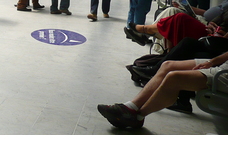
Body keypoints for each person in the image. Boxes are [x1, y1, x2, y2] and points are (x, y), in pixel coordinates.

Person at [97, 49, 228, 130]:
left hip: (225, 73)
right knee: (168, 65)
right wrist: (212, 61)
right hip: (223, 64)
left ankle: (136, 117)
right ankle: (131, 107)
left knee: (174, 78)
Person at [124, 9, 228, 50]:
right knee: (173, 12)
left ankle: (147, 31)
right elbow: (218, 16)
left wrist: (220, 32)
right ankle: (147, 33)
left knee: (179, 18)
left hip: (215, 36)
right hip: (208, 24)